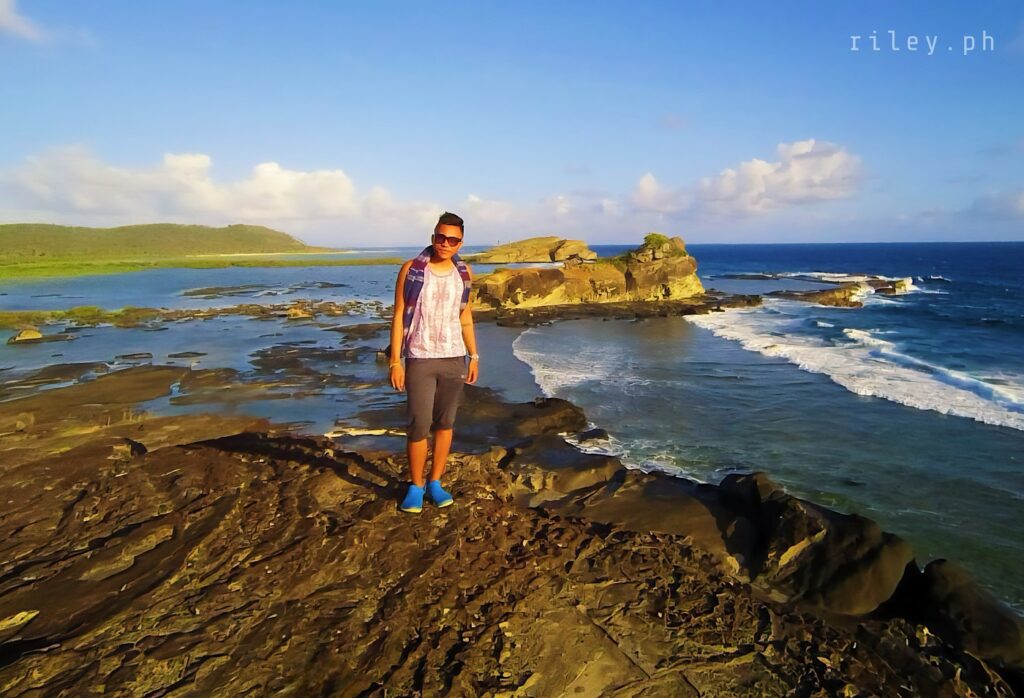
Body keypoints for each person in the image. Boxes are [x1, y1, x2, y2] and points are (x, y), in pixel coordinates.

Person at [389, 211, 479, 513]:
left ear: (460, 243)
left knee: (445, 424)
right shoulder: (411, 270)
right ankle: (415, 485)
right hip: (419, 356)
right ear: (433, 238)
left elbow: (465, 315)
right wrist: (395, 361)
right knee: (418, 425)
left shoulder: (464, 273)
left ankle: (435, 482)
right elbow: (400, 314)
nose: (445, 243)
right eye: (441, 237)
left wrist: (474, 354)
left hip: (454, 357)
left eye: (452, 239)